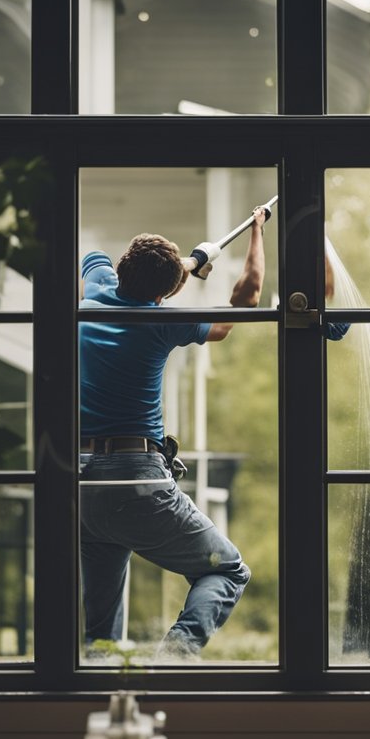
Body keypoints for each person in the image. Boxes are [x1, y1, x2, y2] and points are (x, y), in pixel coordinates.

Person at [77, 207, 268, 659]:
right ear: (165, 292)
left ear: (124, 266)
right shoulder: (160, 322)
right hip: (136, 479)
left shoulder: (88, 301)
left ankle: (97, 692)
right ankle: (173, 658)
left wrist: (186, 265)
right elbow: (247, 298)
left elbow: (95, 259)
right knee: (228, 571)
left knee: (99, 634)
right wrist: (256, 231)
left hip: (82, 483)